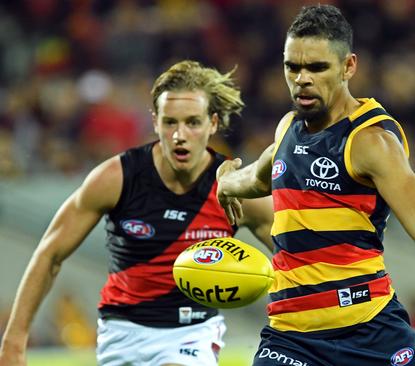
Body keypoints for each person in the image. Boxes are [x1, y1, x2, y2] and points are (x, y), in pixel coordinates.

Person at [216, 5, 415, 365]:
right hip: (290, 338)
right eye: (292, 67)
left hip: (368, 332)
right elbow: (259, 176)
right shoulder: (287, 130)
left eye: (316, 67)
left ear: (348, 67)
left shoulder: (371, 142)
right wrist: (226, 183)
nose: (301, 78)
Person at [0, 60, 274, 366]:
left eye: (192, 122)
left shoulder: (233, 188)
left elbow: (295, 254)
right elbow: (49, 254)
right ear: (155, 121)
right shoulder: (116, 178)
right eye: (170, 122)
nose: (180, 135)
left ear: (212, 123)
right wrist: (14, 339)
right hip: (121, 331)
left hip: (193, 331)